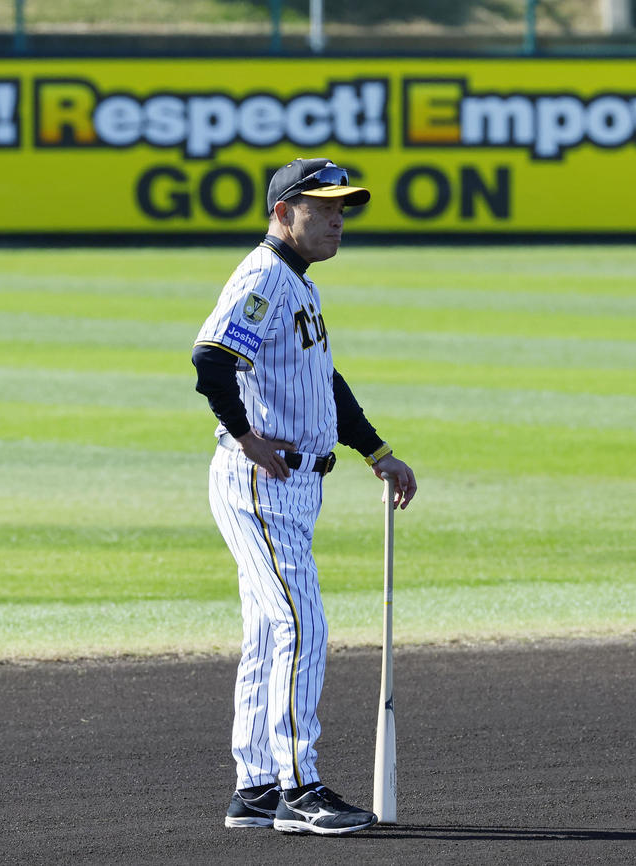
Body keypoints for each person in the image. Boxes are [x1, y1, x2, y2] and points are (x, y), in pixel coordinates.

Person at [191, 157, 418, 836]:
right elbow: (210, 359)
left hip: (288, 482)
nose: (337, 222)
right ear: (282, 213)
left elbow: (323, 381)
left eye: (343, 210)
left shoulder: (296, 283)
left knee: (269, 632)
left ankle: (257, 787)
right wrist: (244, 434)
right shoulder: (264, 276)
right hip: (265, 481)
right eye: (323, 209)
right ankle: (300, 789)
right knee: (301, 626)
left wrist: (375, 450)